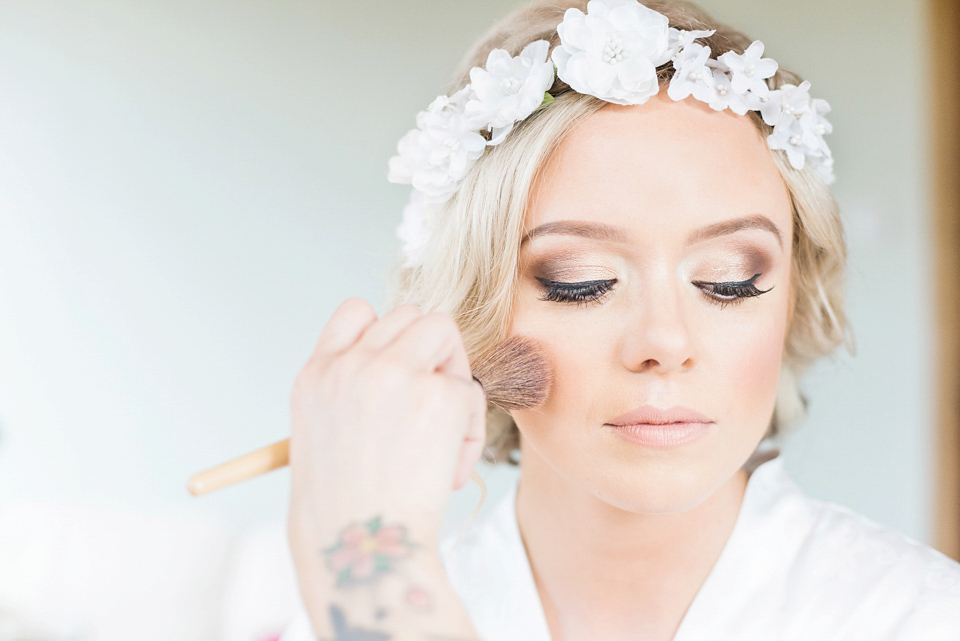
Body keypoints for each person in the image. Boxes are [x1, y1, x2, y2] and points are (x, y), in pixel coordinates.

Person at [280, 1, 960, 639]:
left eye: (729, 281)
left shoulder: (918, 615)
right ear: (472, 309)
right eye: (582, 282)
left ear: (790, 298)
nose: (664, 342)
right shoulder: (334, 613)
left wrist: (371, 575)